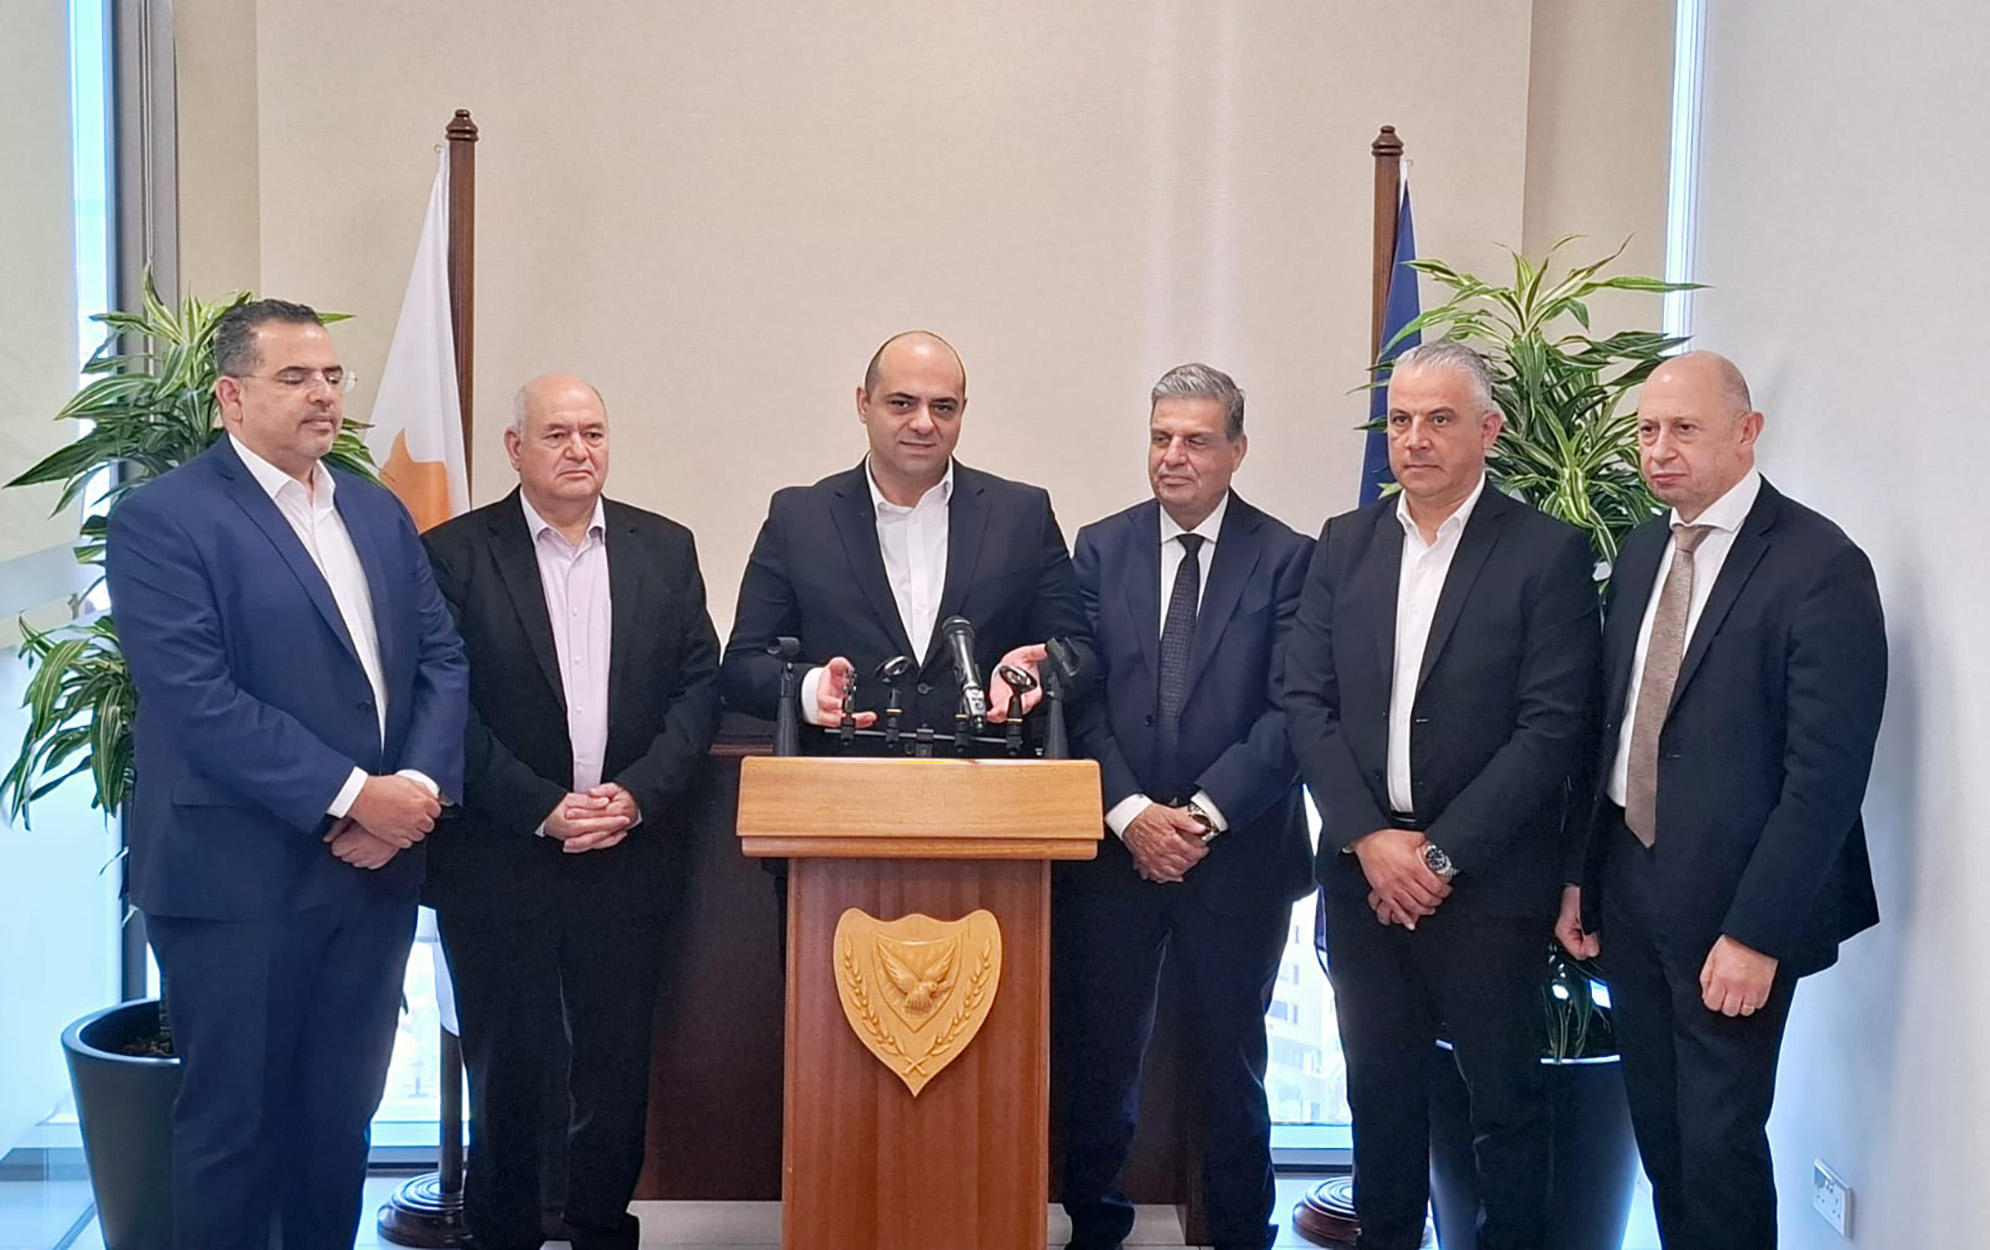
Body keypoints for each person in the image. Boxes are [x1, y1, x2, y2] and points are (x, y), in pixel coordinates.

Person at [104, 298, 468, 1250]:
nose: (323, 395)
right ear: (231, 397)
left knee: (336, 1129)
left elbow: (441, 660)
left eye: (333, 376)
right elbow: (198, 699)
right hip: (237, 883)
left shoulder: (375, 511)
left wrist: (414, 796)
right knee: (234, 1134)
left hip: (370, 878)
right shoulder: (163, 520)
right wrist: (358, 797)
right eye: (295, 377)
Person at [1557, 351, 1886, 1250]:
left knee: (1719, 1147)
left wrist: (1757, 934)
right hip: (1631, 886)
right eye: (1646, 431)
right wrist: (1581, 876)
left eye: (1684, 430)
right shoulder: (1642, 552)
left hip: (1735, 908)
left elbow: (1826, 778)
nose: (1659, 450)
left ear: (1747, 433)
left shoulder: (1821, 565)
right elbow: (1612, 729)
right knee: (1661, 1136)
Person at [1284, 341, 1599, 1250]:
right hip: (1364, 880)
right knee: (1379, 1097)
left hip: (1488, 887)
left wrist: (1438, 855)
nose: (1414, 439)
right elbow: (1304, 700)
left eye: (1439, 419)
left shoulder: (1546, 552)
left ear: (1489, 430)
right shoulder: (1344, 543)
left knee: (1504, 1106)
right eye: (1400, 420)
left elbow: (1552, 729)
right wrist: (1368, 839)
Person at [423, 373, 722, 1250]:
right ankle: (504, 1230)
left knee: (616, 1065)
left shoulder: (664, 548)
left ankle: (600, 1225)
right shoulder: (453, 555)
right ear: (516, 449)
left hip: (628, 854)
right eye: (557, 434)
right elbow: (446, 710)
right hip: (501, 857)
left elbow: (698, 691)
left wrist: (637, 795)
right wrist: (543, 808)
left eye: (593, 432)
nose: (579, 450)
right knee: (508, 1067)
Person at [1056, 363, 1313, 1250]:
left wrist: (1200, 817)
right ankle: (1095, 1228)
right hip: (1116, 852)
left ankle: (1242, 1232)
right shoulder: (1100, 547)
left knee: (1230, 1062)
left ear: (1237, 450)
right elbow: (1079, 699)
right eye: (1161, 437)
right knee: (1100, 1057)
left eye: (1197, 440)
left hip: (1236, 857)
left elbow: (1293, 710)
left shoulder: (1288, 557)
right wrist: (1130, 812)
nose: (1174, 455)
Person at [721, 329, 1092, 737]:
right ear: (864, 403)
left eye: (943, 407)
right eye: (902, 403)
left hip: (986, 769)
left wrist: (1038, 674)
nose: (923, 423)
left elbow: (1080, 653)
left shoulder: (1021, 515)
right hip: (842, 772)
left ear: (963, 410)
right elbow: (742, 667)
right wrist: (811, 690)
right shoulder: (800, 518)